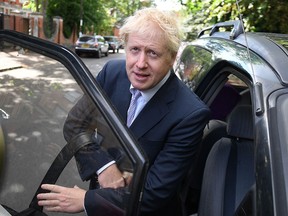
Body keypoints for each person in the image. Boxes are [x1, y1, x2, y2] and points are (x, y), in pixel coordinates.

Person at [37, 7, 210, 216]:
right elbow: (75, 123)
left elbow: (153, 193)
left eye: (153, 53)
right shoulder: (112, 73)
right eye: (135, 49)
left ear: (172, 57)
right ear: (125, 47)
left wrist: (86, 200)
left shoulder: (191, 113)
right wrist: (103, 165)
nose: (140, 64)